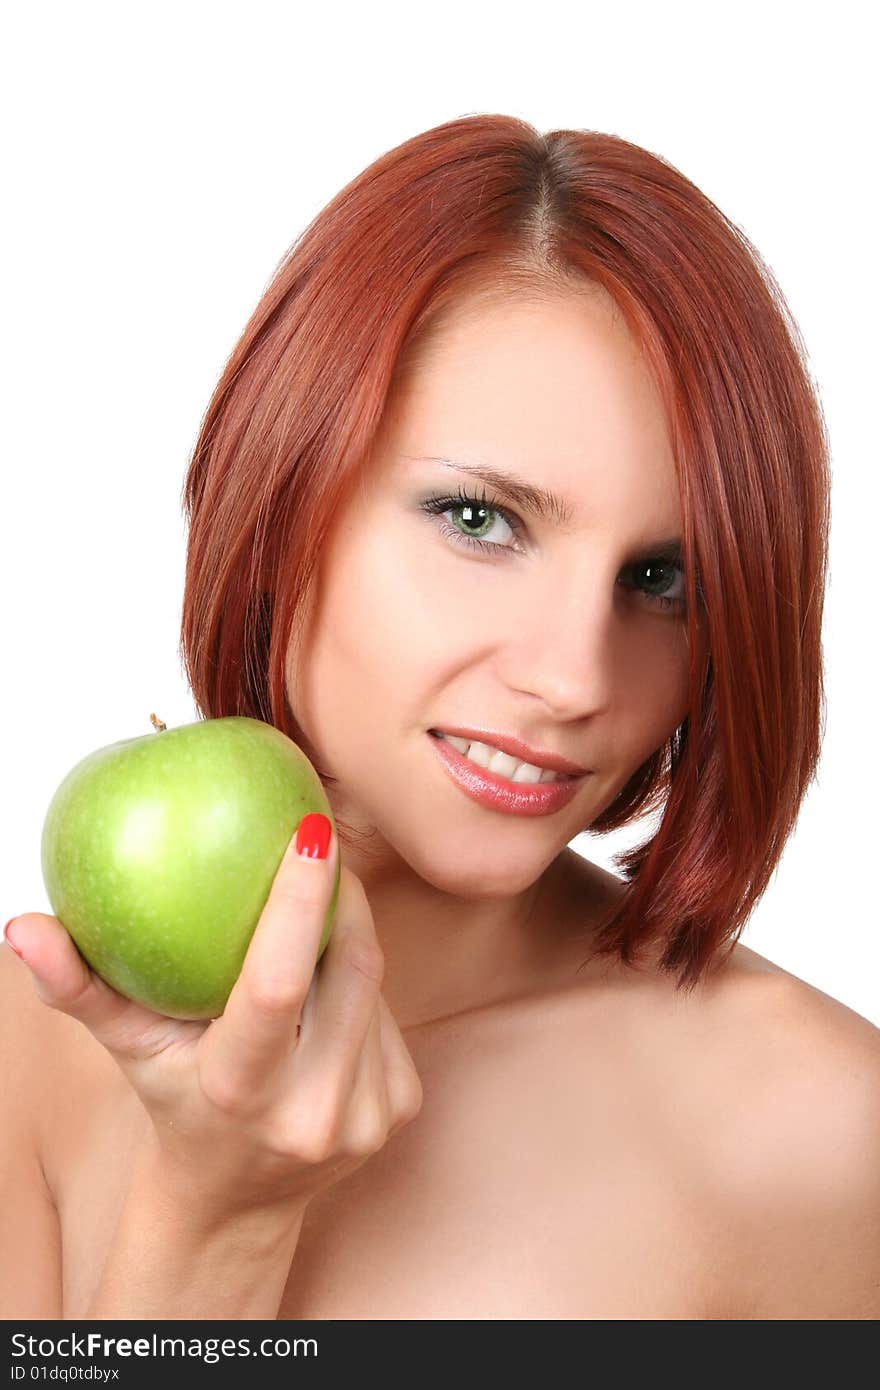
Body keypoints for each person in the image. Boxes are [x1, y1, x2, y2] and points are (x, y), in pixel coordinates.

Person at [3, 114, 878, 1322]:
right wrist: (213, 1223)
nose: (575, 678)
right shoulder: (26, 1043)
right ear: (286, 480)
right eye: (480, 521)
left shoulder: (816, 1128)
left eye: (662, 580)